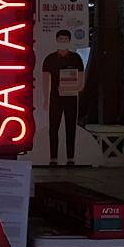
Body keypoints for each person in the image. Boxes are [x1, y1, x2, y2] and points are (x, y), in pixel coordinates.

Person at [41, 28, 86, 166]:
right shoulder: (49, 59)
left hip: (71, 98)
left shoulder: (76, 58)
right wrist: (46, 100)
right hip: (55, 98)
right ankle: (53, 158)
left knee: (70, 127)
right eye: (60, 39)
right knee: (53, 128)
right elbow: (45, 81)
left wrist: (70, 88)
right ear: (56, 40)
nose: (63, 42)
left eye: (65, 40)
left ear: (69, 41)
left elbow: (81, 82)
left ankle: (70, 158)